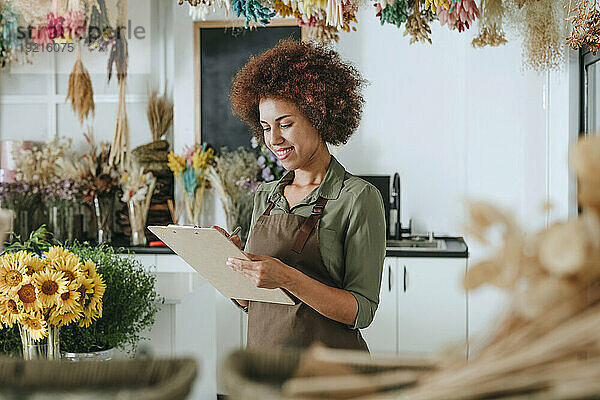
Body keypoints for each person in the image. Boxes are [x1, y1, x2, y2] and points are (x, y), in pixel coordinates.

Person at [213, 39, 386, 352]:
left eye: (286, 124)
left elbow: (361, 311)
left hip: (328, 376)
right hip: (264, 371)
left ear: (319, 117)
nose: (274, 139)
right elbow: (250, 301)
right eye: (265, 127)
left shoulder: (357, 198)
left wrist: (287, 278)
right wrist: (230, 264)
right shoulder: (265, 195)